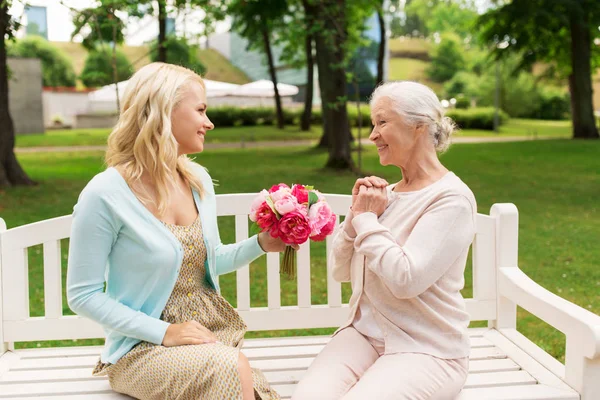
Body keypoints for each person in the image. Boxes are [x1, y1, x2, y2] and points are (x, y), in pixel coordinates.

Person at [66, 62, 290, 400]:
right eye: (200, 110)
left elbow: (208, 259)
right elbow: (83, 295)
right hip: (140, 350)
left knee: (246, 384)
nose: (208, 123)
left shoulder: (196, 181)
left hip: (208, 337)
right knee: (229, 370)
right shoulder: (104, 193)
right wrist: (165, 331)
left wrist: (261, 243)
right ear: (163, 112)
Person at [293, 81, 477, 400]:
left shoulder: (451, 200)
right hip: (363, 336)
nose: (372, 135)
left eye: (382, 122)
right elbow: (339, 270)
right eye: (372, 124)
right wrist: (355, 215)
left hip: (427, 349)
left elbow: (406, 279)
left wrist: (366, 219)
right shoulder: (384, 195)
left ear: (418, 125)